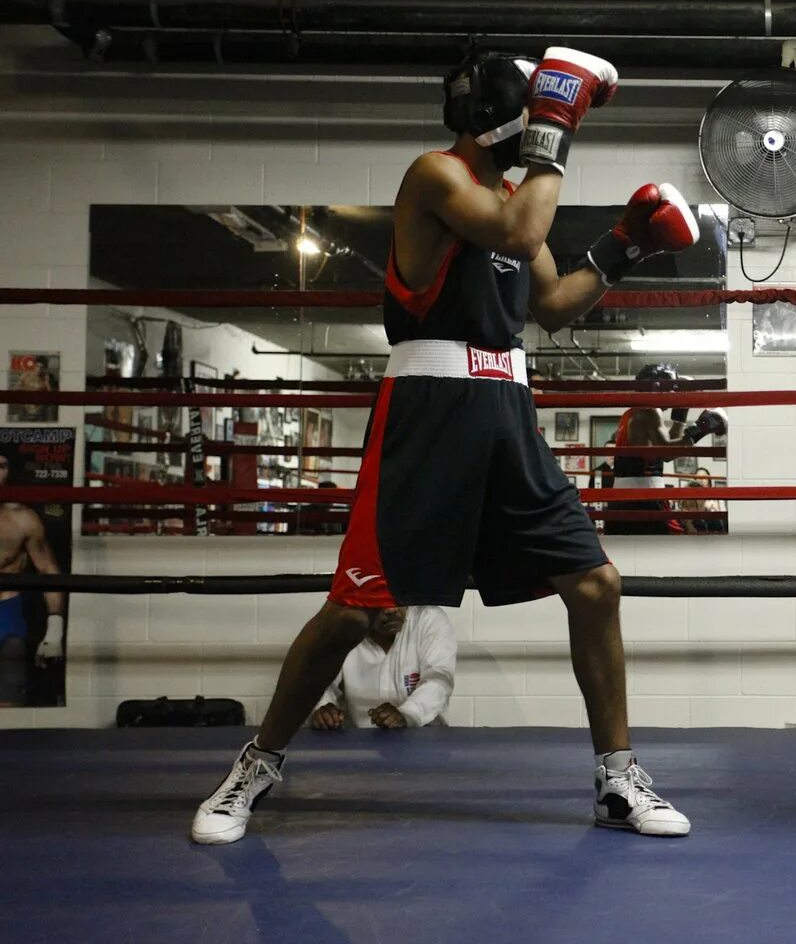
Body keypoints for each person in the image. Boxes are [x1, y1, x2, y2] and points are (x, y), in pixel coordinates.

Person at [193, 47, 701, 845]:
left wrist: (626, 242)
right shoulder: (434, 178)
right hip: (428, 408)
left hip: (507, 408)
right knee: (358, 609)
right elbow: (516, 226)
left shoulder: (511, 193)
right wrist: (560, 121)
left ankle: (616, 776)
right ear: (508, 124)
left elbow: (558, 304)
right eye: (535, 120)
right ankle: (253, 768)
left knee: (597, 585)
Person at [605, 363, 726, 536]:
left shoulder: (631, 412)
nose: (674, 393)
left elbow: (663, 448)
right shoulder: (650, 411)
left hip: (624, 499)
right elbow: (667, 453)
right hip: (644, 500)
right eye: (671, 387)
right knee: (668, 547)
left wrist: (680, 413)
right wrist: (702, 428)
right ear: (657, 386)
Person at [310, 606, 457, 729]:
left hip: (426, 746)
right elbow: (322, 681)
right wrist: (324, 709)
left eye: (397, 599)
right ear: (362, 600)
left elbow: (439, 682)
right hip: (361, 750)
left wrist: (407, 714)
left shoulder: (429, 620)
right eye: (380, 600)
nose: (391, 609)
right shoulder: (342, 627)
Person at [0, 452, 65, 706]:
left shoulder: (23, 520)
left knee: (7, 717)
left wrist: (54, 632)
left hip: (7, 620)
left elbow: (49, 571)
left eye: (2, 466)